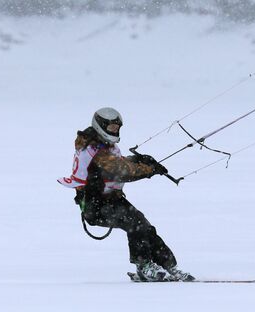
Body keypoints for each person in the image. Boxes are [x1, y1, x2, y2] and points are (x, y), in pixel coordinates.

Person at [58, 107, 194, 282]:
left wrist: (139, 159)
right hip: (95, 206)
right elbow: (120, 171)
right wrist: (150, 170)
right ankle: (144, 266)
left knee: (144, 226)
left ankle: (170, 266)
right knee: (135, 224)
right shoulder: (93, 149)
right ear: (100, 126)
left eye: (117, 128)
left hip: (111, 200)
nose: (115, 131)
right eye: (112, 128)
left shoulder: (101, 145)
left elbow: (119, 163)